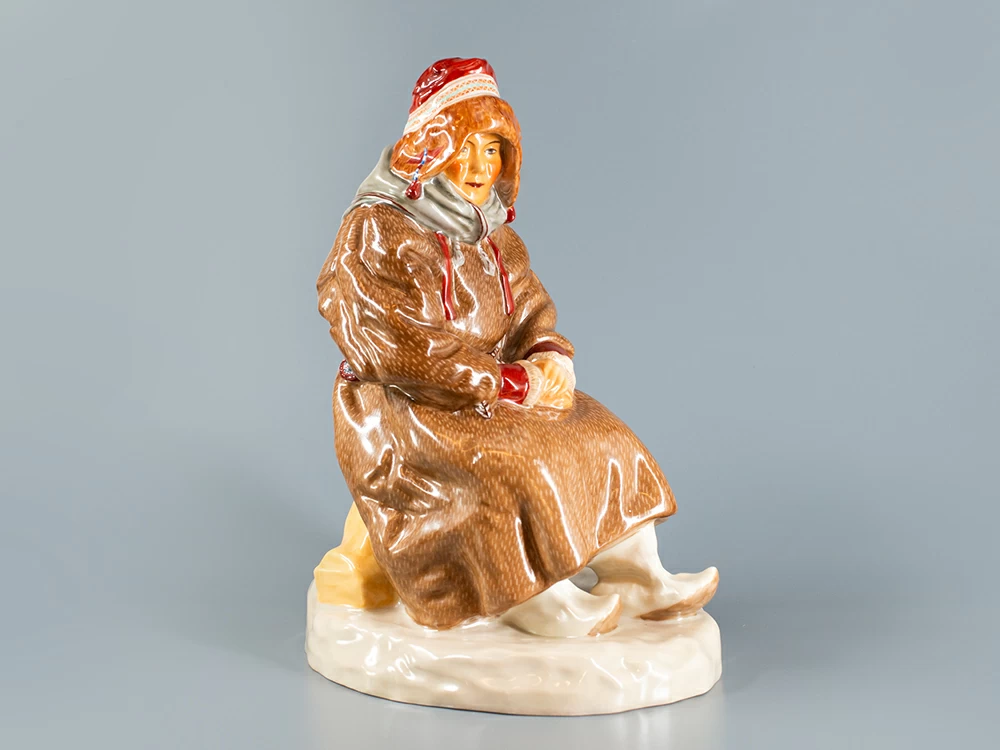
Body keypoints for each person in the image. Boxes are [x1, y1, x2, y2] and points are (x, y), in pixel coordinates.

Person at [314, 58, 718, 637]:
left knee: (600, 434)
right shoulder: (379, 228)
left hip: (498, 389)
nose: (482, 166)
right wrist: (505, 383)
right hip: (407, 404)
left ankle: (638, 577)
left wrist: (549, 356)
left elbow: (528, 305)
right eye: (466, 147)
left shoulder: (493, 232)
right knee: (511, 464)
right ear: (431, 148)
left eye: (493, 149)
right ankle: (528, 597)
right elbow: (397, 344)